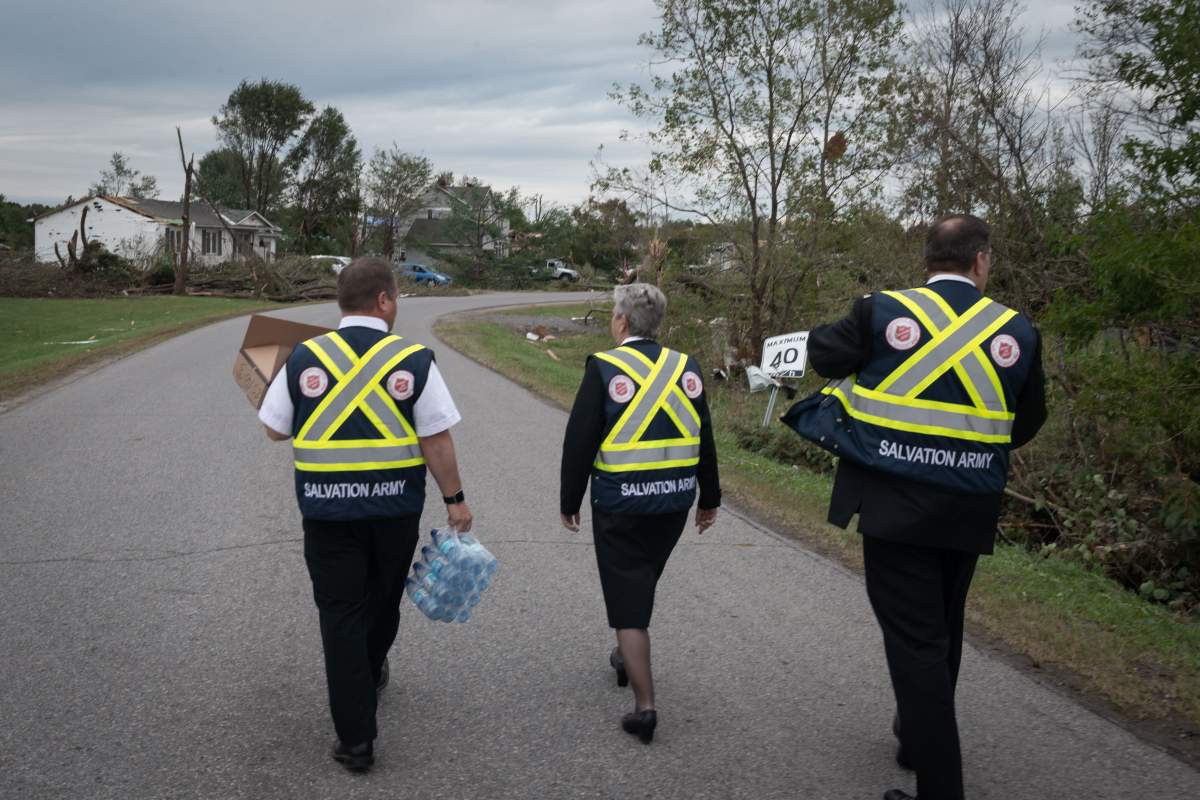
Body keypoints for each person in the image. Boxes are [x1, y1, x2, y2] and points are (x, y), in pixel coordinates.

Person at [782, 215, 1046, 800]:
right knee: (942, 629)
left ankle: (939, 787)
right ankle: (914, 739)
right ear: (981, 262)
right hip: (969, 504)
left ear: (926, 262)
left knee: (916, 641)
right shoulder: (1018, 330)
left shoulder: (880, 312)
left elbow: (823, 357)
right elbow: (1025, 422)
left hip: (892, 506)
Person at [258, 257, 473, 773]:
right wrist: (455, 500)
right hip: (394, 510)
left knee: (339, 614)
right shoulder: (415, 359)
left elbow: (274, 431)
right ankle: (370, 670)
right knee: (381, 601)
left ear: (341, 302)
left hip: (327, 514)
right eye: (396, 298)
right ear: (383, 300)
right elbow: (436, 438)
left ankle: (356, 740)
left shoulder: (302, 356)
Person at [559, 282, 721, 743]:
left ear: (623, 322)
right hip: (672, 501)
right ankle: (623, 656)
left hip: (621, 502)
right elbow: (704, 436)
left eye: (613, 312)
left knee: (629, 600)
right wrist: (709, 497)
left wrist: (569, 501)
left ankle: (645, 706)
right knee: (640, 578)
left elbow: (580, 441)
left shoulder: (605, 367)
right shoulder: (685, 367)